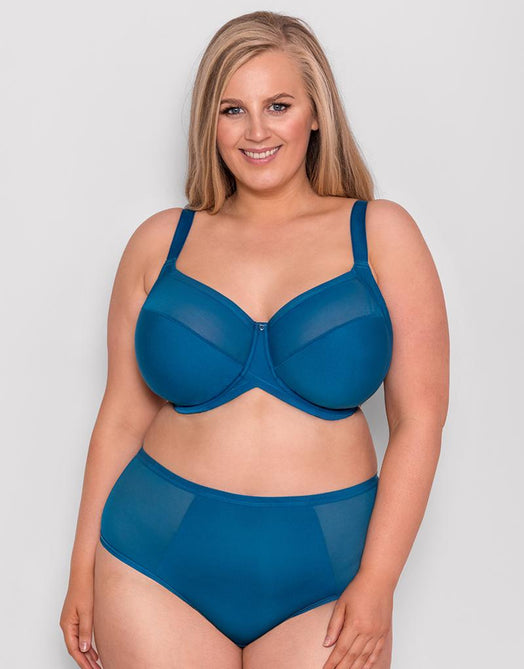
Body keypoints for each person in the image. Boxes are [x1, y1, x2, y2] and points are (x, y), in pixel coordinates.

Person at [59, 10, 449, 669]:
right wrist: (80, 570)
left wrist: (379, 582)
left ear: (316, 114)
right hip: (154, 564)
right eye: (232, 109)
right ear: (209, 122)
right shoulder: (160, 244)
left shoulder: (382, 235)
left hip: (328, 576)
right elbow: (122, 416)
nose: (257, 131)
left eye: (279, 105)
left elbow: (421, 420)